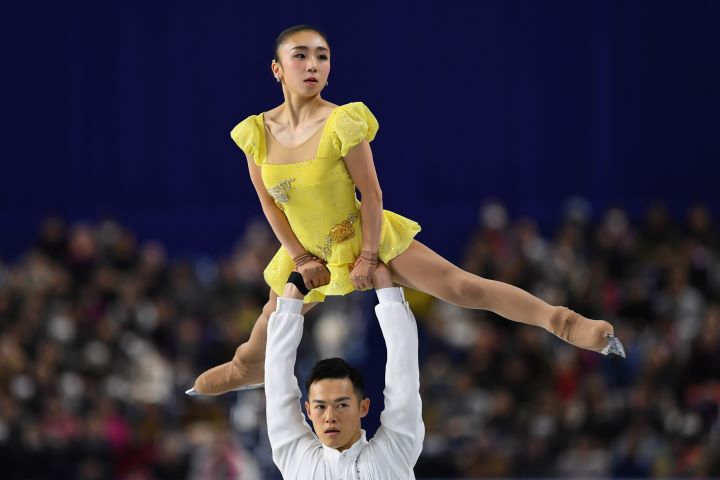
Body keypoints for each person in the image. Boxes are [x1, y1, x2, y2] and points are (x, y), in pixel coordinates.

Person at [187, 24, 623, 396]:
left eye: (322, 56)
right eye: (300, 56)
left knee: (461, 287)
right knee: (261, 340)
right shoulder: (256, 133)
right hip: (305, 252)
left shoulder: (342, 122)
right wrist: (300, 258)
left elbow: (372, 194)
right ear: (277, 69)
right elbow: (269, 202)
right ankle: (245, 370)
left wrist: (368, 256)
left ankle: (562, 321)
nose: (313, 64)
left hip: (363, 234)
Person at [264, 263, 423, 479]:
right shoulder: (298, 459)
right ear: (308, 410)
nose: (330, 417)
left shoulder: (393, 454)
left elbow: (404, 376)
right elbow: (277, 386)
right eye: (320, 406)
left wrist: (295, 291)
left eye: (341, 404)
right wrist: (386, 292)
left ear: (363, 407)